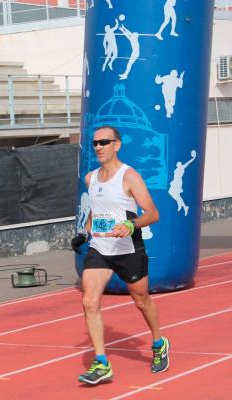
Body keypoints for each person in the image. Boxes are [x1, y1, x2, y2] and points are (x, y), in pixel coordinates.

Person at [71, 126, 169, 386]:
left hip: (128, 249)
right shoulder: (91, 178)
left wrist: (131, 225)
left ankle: (159, 342)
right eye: (95, 143)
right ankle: (102, 363)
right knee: (89, 301)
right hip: (100, 248)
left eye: (104, 142)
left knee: (141, 300)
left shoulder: (129, 177)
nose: (98, 147)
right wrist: (85, 232)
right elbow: (96, 211)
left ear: (117, 145)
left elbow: (152, 213)